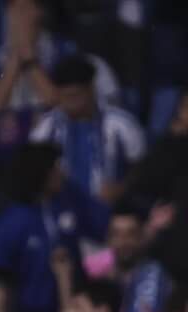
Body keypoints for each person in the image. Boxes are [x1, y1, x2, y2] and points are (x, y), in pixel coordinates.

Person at [28, 54, 144, 205]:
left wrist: (121, 188)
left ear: (91, 89)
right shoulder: (46, 128)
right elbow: (31, 172)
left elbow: (142, 168)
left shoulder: (122, 124)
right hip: (61, 209)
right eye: (64, 97)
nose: (70, 103)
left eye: (75, 96)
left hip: (111, 208)